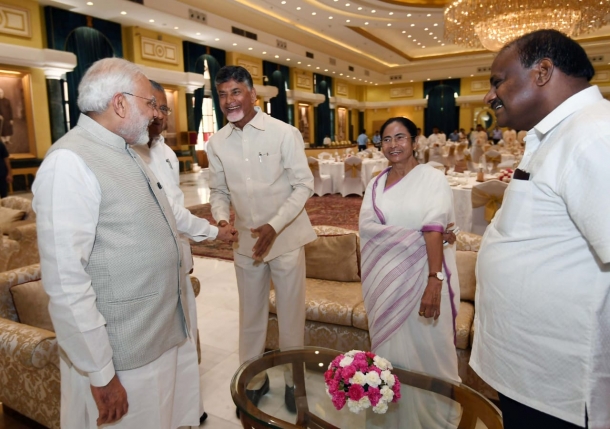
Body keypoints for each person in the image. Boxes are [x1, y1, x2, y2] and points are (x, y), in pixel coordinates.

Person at [33, 58, 200, 429]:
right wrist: (100, 373)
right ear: (120, 103)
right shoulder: (69, 162)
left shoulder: (125, 150)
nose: (155, 113)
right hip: (121, 356)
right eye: (149, 103)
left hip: (157, 336)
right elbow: (66, 281)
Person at [471, 29, 610, 429]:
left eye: (498, 81)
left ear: (543, 71)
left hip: (561, 387)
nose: (489, 96)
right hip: (533, 373)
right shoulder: (562, 133)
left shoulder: (593, 134)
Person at [206, 66, 316, 415]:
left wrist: (274, 225)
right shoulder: (216, 143)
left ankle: (294, 384)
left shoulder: (283, 133)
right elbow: (218, 191)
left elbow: (304, 185)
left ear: (253, 94)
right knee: (250, 318)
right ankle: (252, 383)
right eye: (222, 94)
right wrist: (222, 219)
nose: (229, 100)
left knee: (291, 319)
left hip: (286, 240)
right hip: (246, 246)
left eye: (236, 91)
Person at [132, 80, 237, 425]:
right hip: (148, 268)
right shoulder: (129, 153)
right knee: (163, 349)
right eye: (152, 106)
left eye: (164, 108)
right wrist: (214, 232)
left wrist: (189, 255)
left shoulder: (165, 152)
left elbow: (175, 207)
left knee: (186, 338)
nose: (159, 115)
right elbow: (168, 211)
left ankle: (189, 410)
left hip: (177, 262)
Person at [360, 116, 461, 428]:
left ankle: (436, 420)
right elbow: (367, 229)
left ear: (415, 142)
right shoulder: (375, 185)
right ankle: (391, 420)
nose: (393, 145)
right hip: (385, 285)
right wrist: (421, 235)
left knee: (431, 349)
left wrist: (434, 280)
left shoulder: (432, 179)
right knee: (390, 356)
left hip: (427, 279)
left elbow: (435, 225)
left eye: (400, 137)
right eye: (387, 139)